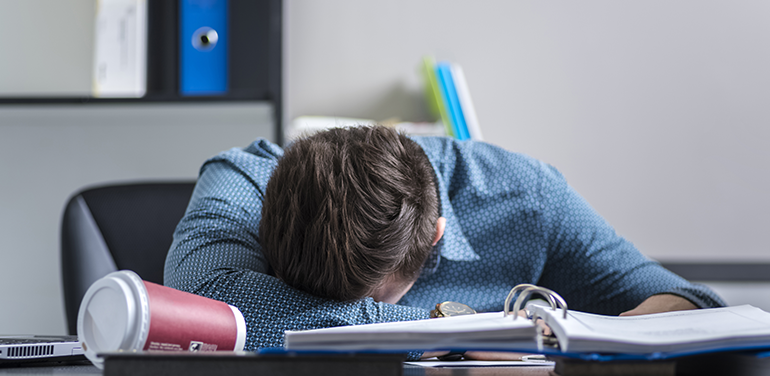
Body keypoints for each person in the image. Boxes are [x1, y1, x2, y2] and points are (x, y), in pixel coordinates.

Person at [164, 125, 724, 359]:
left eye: (372, 299)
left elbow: (688, 303)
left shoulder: (526, 198)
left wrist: (581, 343)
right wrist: (467, 337)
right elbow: (205, 298)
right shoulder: (244, 180)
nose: (353, 318)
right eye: (313, 301)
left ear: (433, 240)